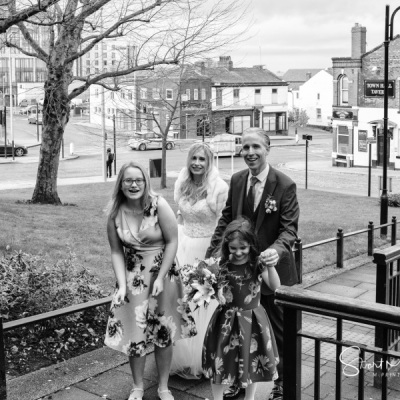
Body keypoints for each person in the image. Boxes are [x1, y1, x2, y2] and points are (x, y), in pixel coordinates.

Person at [205, 127, 300, 400]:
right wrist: (214, 252)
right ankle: (237, 378)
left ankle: (282, 382)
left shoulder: (284, 185)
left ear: (267, 148)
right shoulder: (236, 180)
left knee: (278, 332)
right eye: (245, 147)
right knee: (239, 330)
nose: (249, 153)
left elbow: (289, 229)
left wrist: (275, 251)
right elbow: (225, 219)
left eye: (255, 147)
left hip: (272, 272)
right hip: (239, 271)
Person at [104, 161, 197, 400]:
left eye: (138, 180)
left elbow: (172, 241)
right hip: (133, 277)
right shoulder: (115, 213)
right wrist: (122, 285)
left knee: (163, 331)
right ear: (121, 184)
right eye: (128, 180)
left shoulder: (158, 204)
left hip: (161, 273)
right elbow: (116, 251)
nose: (133, 184)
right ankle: (137, 386)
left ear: (146, 182)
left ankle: (163, 387)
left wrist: (162, 276)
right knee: (135, 333)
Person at [203, 218, 280, 400]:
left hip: (251, 321)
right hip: (225, 320)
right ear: (227, 246)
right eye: (233, 248)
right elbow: (215, 290)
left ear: (251, 245)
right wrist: (212, 290)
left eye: (243, 248)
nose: (238, 252)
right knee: (220, 360)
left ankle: (250, 398)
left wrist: (270, 266)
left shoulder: (256, 264)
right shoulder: (221, 264)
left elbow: (275, 286)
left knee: (251, 360)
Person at [170, 142, 229, 379]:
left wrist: (217, 257)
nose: (197, 163)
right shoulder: (182, 183)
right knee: (182, 300)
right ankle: (182, 356)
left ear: (210, 162)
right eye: (194, 158)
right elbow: (179, 216)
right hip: (184, 246)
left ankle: (206, 357)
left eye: (202, 159)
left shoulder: (218, 187)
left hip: (208, 248)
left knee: (205, 302)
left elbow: (223, 223)